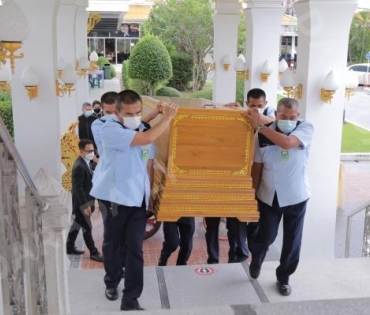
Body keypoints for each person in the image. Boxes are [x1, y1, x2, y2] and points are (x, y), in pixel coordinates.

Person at [90, 90, 179, 311]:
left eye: (138, 112)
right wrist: (168, 116)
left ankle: (130, 298)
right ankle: (111, 281)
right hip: (114, 198)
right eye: (129, 113)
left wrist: (156, 113)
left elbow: (142, 132)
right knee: (112, 243)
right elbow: (146, 137)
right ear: (117, 113)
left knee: (135, 248)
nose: (135, 116)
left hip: (137, 199)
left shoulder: (138, 126)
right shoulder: (108, 129)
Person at [245, 98, 314, 296]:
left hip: (297, 195)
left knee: (292, 241)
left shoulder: (305, 128)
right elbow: (257, 169)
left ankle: (283, 278)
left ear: (298, 116)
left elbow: (287, 143)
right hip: (269, 196)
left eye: (292, 117)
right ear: (276, 115)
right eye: (283, 117)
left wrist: (261, 126)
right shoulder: (261, 136)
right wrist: (253, 194)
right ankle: (257, 258)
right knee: (266, 236)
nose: (288, 120)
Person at [66, 139, 103, 262]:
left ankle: (69, 246)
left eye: (93, 150)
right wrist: (85, 206)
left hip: (86, 201)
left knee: (77, 224)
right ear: (81, 151)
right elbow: (78, 188)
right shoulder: (79, 166)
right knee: (87, 227)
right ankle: (93, 252)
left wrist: (96, 163)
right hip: (83, 203)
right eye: (89, 151)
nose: (92, 153)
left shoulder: (86, 162)